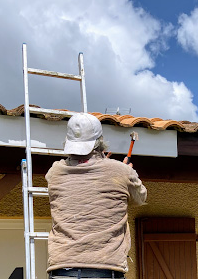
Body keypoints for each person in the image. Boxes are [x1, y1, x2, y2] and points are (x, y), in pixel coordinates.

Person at [45, 113, 147, 279]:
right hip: (105, 268)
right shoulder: (120, 172)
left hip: (62, 269)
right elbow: (140, 198)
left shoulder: (54, 172)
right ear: (100, 142)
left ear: (69, 142)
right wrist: (125, 172)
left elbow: (82, 183)